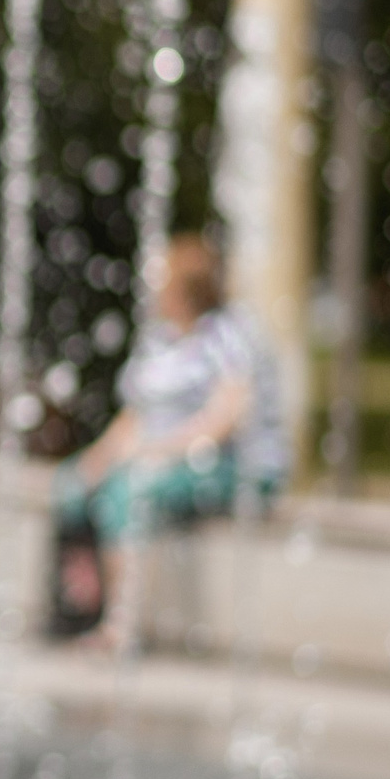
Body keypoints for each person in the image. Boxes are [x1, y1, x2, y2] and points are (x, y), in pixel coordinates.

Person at [50, 232, 288, 641]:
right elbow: (136, 414)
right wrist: (100, 456)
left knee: (129, 492)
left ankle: (121, 626)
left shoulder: (229, 334)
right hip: (161, 455)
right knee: (72, 486)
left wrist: (157, 451)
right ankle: (76, 608)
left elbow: (225, 419)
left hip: (231, 464)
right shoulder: (160, 339)